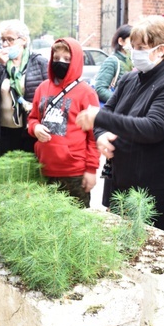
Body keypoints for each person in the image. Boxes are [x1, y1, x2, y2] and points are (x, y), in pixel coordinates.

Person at [77, 15, 164, 231]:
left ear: (160, 50)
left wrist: (100, 118)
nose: (134, 52)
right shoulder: (130, 79)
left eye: (141, 47)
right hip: (122, 181)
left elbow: (153, 128)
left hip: (153, 190)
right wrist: (100, 134)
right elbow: (108, 112)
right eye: (133, 46)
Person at [28, 38, 100, 207]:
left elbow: (94, 136)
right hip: (44, 168)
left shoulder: (86, 93)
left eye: (67, 59)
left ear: (75, 61)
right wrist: (35, 127)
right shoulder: (42, 88)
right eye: (56, 58)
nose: (60, 62)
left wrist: (91, 169)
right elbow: (32, 118)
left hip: (74, 172)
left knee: (76, 222)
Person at [0, 19, 48, 157]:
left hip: (30, 130)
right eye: (2, 40)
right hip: (5, 131)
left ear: (24, 40)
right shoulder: (0, 65)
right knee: (8, 174)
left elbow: (50, 95)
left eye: (10, 39)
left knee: (27, 173)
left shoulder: (39, 63)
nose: (4, 44)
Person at [92, 25, 131, 104]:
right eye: (131, 40)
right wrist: (121, 102)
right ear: (121, 41)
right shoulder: (112, 61)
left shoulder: (134, 61)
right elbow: (100, 89)